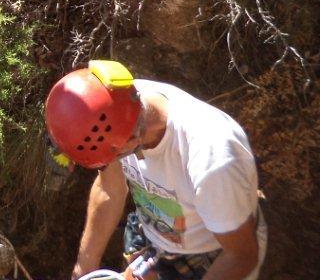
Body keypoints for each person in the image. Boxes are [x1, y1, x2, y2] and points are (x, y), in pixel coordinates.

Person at [45, 60, 267, 280]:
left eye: (111, 158)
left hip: (214, 255)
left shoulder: (213, 158)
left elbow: (241, 257)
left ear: (130, 140)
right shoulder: (115, 106)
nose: (112, 164)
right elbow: (109, 189)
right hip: (156, 239)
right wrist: (84, 268)